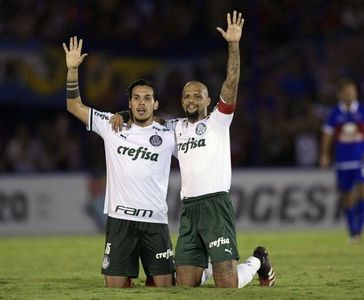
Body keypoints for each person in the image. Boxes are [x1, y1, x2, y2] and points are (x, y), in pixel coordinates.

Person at [112, 10, 275, 288]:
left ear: (208, 99)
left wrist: (233, 46)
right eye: (187, 96)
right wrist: (123, 114)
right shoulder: (175, 128)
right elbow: (148, 118)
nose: (191, 100)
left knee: (229, 285)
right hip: (189, 209)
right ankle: (210, 265)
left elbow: (232, 82)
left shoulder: (218, 121)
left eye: (197, 95)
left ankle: (259, 260)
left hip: (215, 205)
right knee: (186, 284)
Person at [63, 36, 176, 287]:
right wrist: (72, 70)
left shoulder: (169, 134)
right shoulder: (112, 125)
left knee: (165, 286)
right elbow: (74, 106)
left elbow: (194, 138)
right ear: (129, 103)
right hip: (120, 220)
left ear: (155, 104)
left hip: (155, 220)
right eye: (136, 98)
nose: (141, 103)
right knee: (115, 288)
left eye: (147, 98)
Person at [319, 78, 364, 243]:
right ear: (340, 94)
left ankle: (359, 232)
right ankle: (353, 233)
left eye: (353, 91)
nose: (351, 94)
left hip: (362, 160)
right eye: (347, 92)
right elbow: (327, 135)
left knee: (362, 192)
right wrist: (325, 154)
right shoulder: (334, 113)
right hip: (343, 161)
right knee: (347, 196)